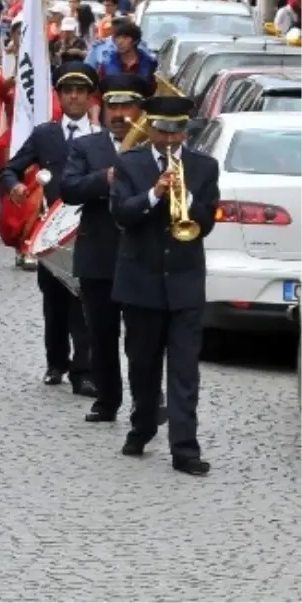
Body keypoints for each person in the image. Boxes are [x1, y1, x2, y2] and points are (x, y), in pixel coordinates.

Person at [111, 95, 219, 476]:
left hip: (186, 285)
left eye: (177, 131)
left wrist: (185, 195)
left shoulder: (205, 167)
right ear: (150, 128)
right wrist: (155, 193)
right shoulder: (129, 164)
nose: (170, 139)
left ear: (185, 130)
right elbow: (121, 215)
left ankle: (185, 450)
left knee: (185, 369)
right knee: (142, 366)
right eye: (162, 130)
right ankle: (141, 426)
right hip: (140, 282)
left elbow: (205, 222)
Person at [0, 61, 99, 396]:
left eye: (80, 91)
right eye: (68, 91)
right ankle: (56, 362)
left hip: (90, 231)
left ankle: (83, 371)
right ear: (59, 96)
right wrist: (14, 186)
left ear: (90, 97)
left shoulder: (101, 137)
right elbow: (10, 168)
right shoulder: (46, 134)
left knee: (84, 304)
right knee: (55, 304)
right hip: (51, 234)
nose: (74, 97)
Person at [61, 73, 154, 423]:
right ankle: (107, 400)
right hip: (98, 255)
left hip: (140, 255)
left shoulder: (152, 150)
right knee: (101, 334)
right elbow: (68, 188)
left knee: (142, 337)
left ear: (140, 110)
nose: (118, 114)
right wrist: (105, 179)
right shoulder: (87, 147)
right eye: (112, 106)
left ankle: (145, 401)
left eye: (126, 106)